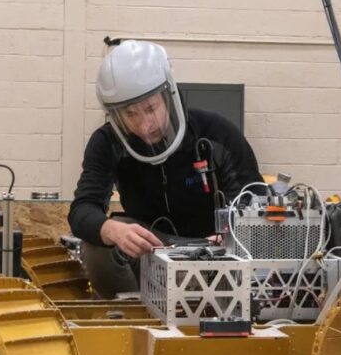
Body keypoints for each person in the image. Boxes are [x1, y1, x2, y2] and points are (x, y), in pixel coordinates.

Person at [68, 40, 263, 298]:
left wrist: (230, 234)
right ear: (116, 116)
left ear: (168, 96)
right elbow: (82, 209)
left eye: (151, 108)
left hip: (213, 250)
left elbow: (255, 198)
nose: (145, 124)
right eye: (131, 114)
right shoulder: (107, 143)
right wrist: (113, 230)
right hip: (150, 249)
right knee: (97, 245)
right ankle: (131, 316)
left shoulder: (216, 132)